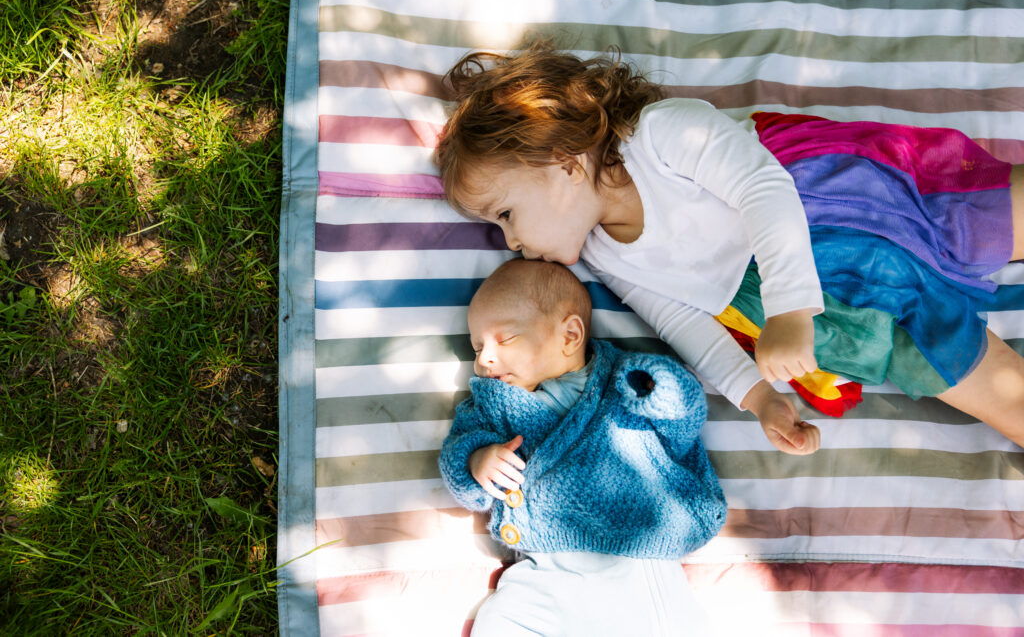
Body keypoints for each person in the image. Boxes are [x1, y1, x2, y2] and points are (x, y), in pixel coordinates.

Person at [434, 41, 1024, 455]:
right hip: (830, 302)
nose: (510, 242)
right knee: (962, 370)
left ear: (560, 162)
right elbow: (682, 321)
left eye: (506, 215)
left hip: (828, 205)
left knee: (979, 215)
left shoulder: (661, 135)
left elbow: (764, 188)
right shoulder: (602, 256)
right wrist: (759, 397)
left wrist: (791, 308)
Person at [439, 258, 725, 636]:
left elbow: (685, 423)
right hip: (543, 570)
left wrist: (663, 389)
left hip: (636, 562)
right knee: (498, 622)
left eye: (504, 339)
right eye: (476, 348)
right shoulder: (491, 405)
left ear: (570, 336)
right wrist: (477, 461)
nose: (485, 359)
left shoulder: (625, 380)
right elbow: (457, 454)